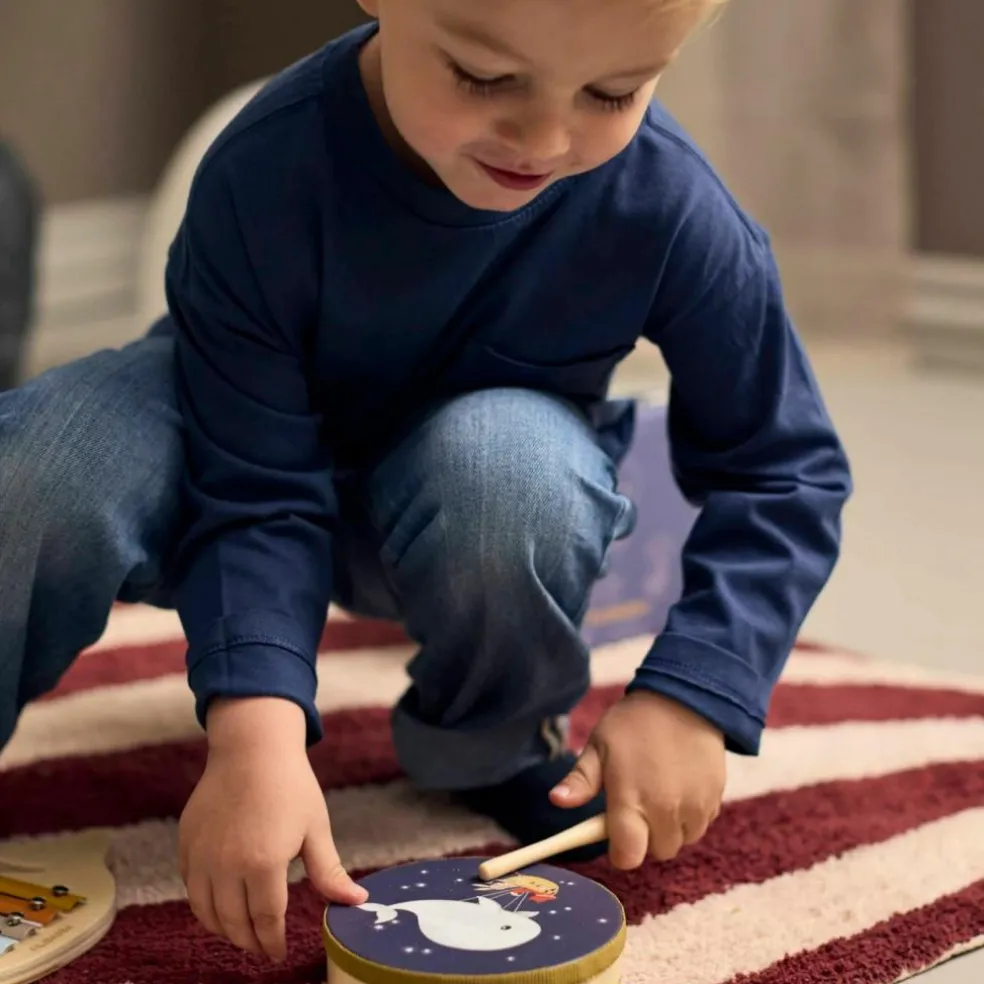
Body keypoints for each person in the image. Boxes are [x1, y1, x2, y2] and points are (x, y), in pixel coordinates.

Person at [0, 0, 852, 966]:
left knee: (511, 469)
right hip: (225, 454)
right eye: (486, 79)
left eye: (613, 92)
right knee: (46, 454)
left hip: (459, 501)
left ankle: (483, 745)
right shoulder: (266, 168)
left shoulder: (671, 204)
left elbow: (784, 467)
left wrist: (695, 694)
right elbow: (255, 486)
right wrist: (256, 733)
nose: (545, 138)